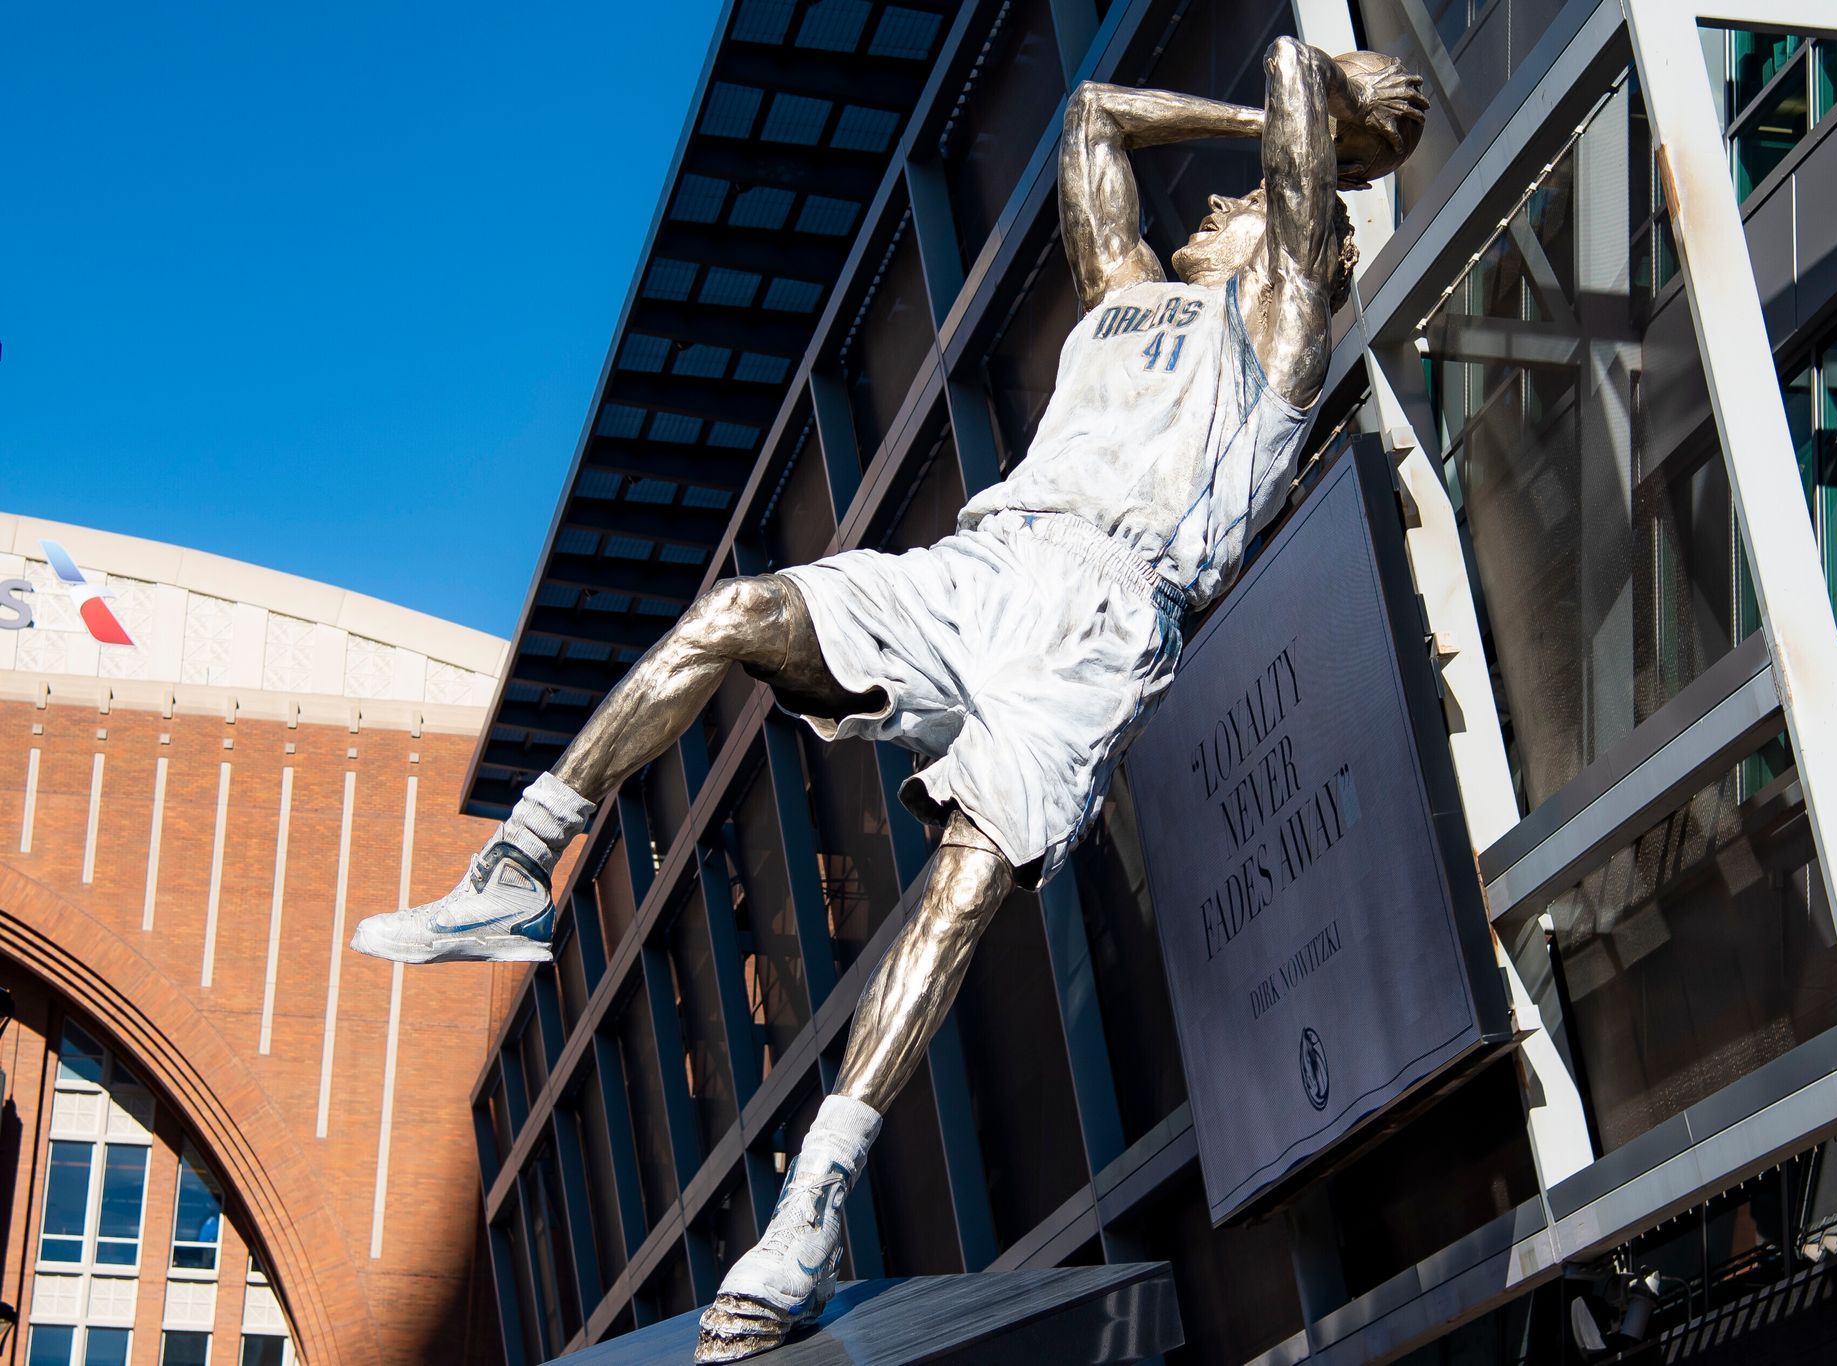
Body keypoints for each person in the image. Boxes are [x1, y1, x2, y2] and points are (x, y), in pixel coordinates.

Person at [351, 35, 1424, 1361]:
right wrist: (1261, 122)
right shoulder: (1126, 300)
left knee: (964, 884)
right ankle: (523, 856)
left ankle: (808, 1215)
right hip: (984, 564)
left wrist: (1310, 129)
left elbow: (1293, 90)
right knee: (739, 614)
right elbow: (1091, 112)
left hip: (1102, 615)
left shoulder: (1275, 337)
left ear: (1297, 238)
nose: (1211, 200)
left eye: (1248, 197)